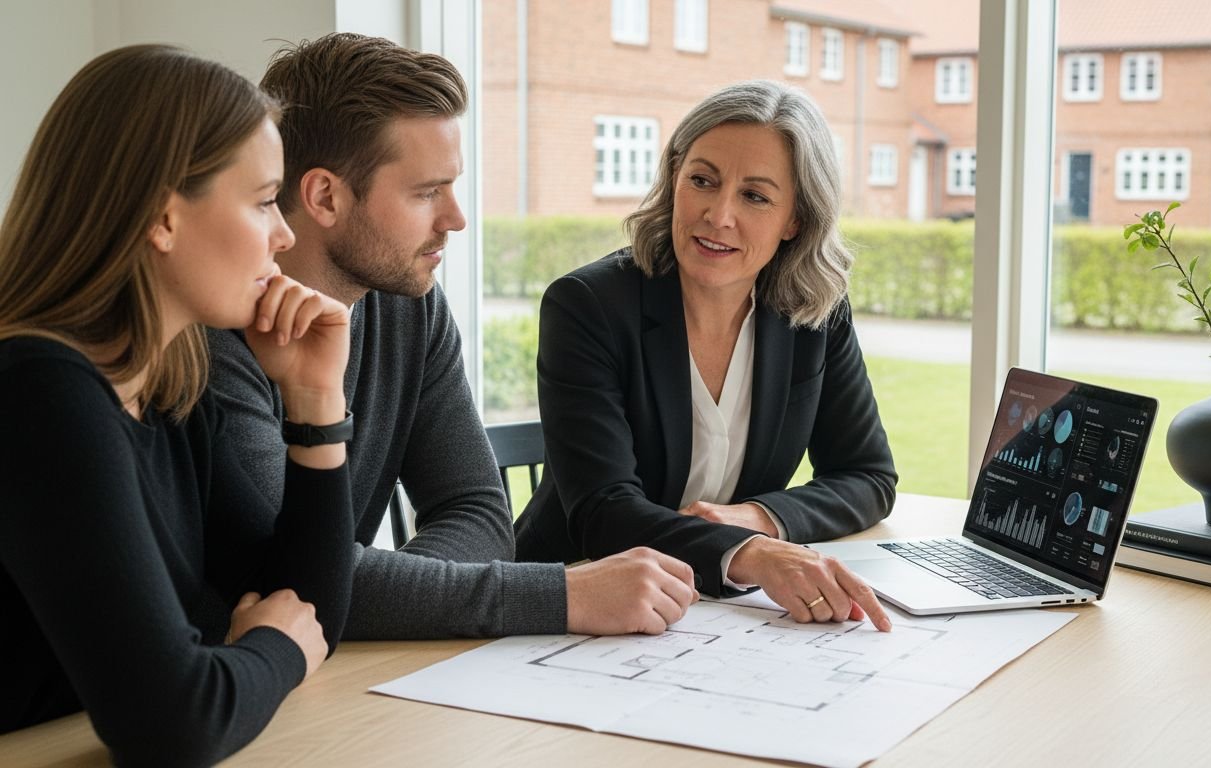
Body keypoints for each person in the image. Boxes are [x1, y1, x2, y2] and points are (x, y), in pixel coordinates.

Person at [207, 32, 697, 640]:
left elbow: (477, 510)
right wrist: (558, 595)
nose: (456, 218)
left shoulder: (412, 306)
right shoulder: (214, 337)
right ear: (325, 196)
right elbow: (295, 583)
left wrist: (399, 595)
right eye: (427, 192)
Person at [0, 45, 355, 764]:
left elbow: (303, 608)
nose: (284, 237)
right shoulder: (39, 393)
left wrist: (314, 401)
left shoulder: (168, 389)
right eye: (262, 203)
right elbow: (172, 722)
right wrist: (273, 651)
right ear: (164, 217)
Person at [513, 80, 898, 630]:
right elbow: (604, 512)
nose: (719, 215)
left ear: (796, 219)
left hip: (714, 617)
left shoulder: (813, 314)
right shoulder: (589, 306)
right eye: (702, 180)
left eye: (755, 196)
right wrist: (749, 553)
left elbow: (867, 475)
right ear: (675, 180)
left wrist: (761, 518)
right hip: (577, 603)